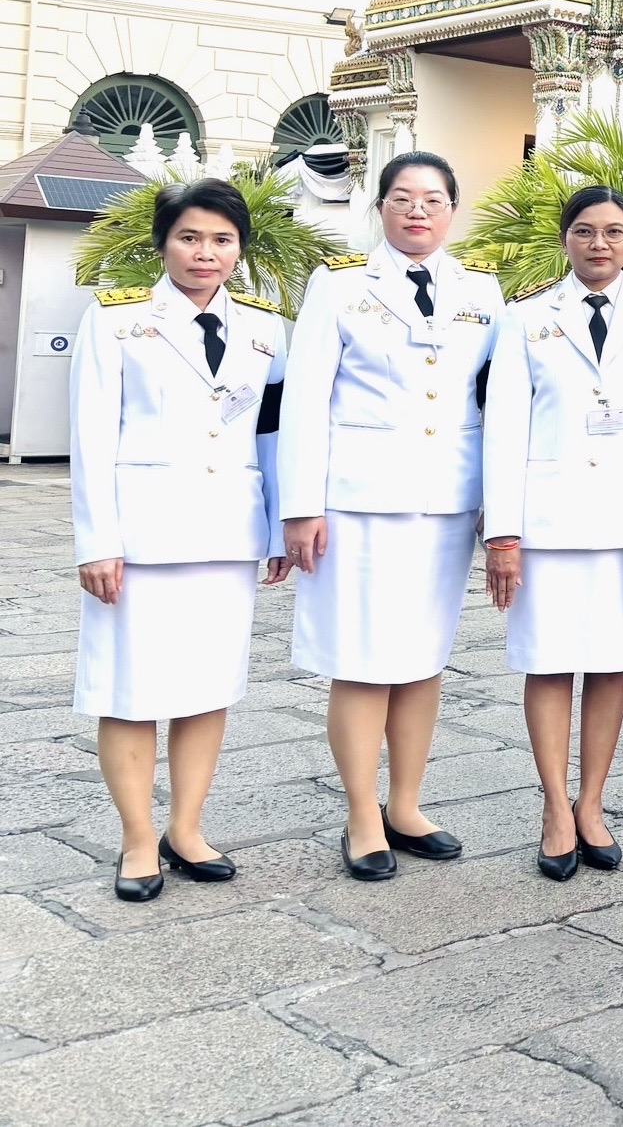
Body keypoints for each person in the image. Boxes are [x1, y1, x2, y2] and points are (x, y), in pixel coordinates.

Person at [280, 152, 504, 881]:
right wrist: (300, 507)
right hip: (359, 502)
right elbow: (305, 398)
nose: (417, 211)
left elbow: (497, 402)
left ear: (452, 210)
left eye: (433, 199)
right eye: (403, 198)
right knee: (361, 658)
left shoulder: (482, 290)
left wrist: (498, 505)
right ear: (380, 208)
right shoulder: (340, 283)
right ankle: (360, 814)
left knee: (421, 659)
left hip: (446, 501)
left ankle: (405, 804)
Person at [70, 179, 289, 901]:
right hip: (142, 537)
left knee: (207, 686)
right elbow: (90, 437)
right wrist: (97, 541)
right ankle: (138, 840)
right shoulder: (117, 321)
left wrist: (278, 525)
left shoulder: (266, 331)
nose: (205, 253)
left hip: (228, 533)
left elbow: (271, 435)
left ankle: (186, 828)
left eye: (222, 240)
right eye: (189, 237)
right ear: (163, 242)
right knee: (129, 691)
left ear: (239, 249)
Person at [483, 187, 623, 880]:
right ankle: (553, 806)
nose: (600, 244)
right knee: (547, 661)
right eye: (586, 231)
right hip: (547, 522)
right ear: (565, 240)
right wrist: (502, 534)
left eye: (615, 232)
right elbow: (504, 428)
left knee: (610, 661)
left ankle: (592, 802)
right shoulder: (525, 317)